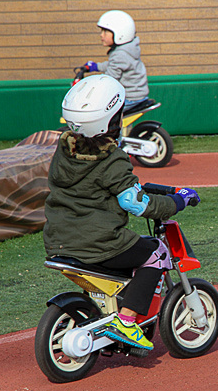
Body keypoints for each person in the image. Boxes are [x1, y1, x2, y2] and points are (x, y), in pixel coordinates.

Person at [43, 74, 199, 351]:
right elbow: (136, 204)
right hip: (99, 243)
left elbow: (95, 187)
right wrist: (177, 202)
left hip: (59, 240)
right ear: (111, 120)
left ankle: (113, 308)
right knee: (156, 252)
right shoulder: (112, 159)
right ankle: (126, 321)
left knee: (133, 252)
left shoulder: (64, 149)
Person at [83, 10, 150, 113]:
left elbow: (110, 79)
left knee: (99, 112)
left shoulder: (120, 54)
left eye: (105, 32)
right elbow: (112, 65)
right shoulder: (128, 49)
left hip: (130, 98)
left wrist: (93, 86)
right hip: (137, 95)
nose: (101, 35)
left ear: (120, 33)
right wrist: (96, 66)